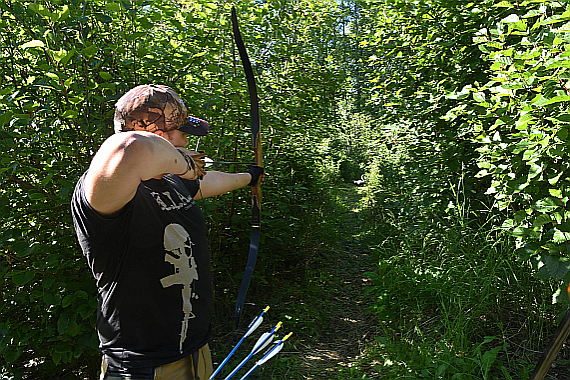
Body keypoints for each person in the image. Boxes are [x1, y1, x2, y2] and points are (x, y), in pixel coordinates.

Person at [71, 84, 264, 380]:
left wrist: (250, 177)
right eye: (183, 133)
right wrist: (185, 164)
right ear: (158, 136)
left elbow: (208, 182)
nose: (189, 141)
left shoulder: (171, 182)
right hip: (143, 366)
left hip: (195, 352)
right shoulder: (105, 190)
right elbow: (129, 146)